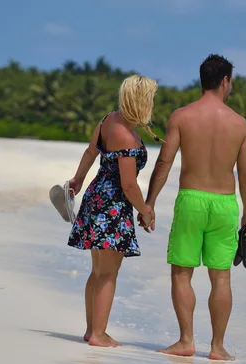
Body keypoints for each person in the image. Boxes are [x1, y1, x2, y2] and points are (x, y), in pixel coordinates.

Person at [140, 54, 246, 361]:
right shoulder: (240, 125)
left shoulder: (182, 116)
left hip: (191, 199)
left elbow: (164, 162)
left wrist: (149, 203)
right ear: (224, 81)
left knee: (182, 273)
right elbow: (245, 176)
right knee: (221, 278)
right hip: (224, 204)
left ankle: (186, 341)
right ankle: (217, 347)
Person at [65, 74, 161, 347]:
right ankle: (98, 333)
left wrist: (78, 180)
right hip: (113, 206)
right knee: (108, 273)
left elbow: (90, 152)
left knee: (98, 271)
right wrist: (145, 210)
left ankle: (91, 329)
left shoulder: (109, 120)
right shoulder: (126, 136)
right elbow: (129, 185)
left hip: (97, 197)